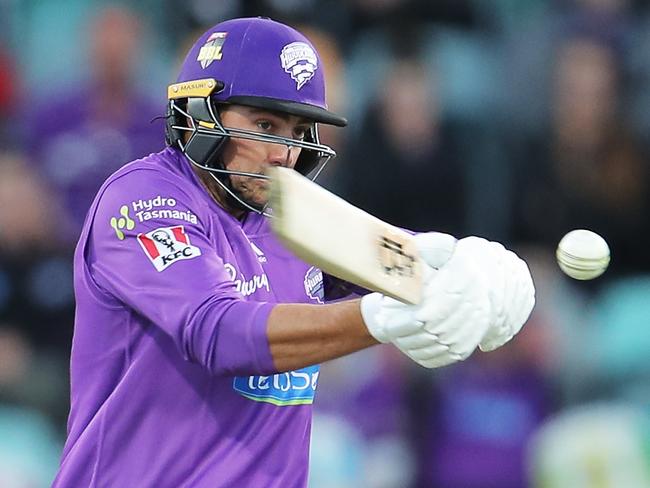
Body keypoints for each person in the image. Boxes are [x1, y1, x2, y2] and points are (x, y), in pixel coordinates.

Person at [52, 17, 535, 487]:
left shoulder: (293, 215)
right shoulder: (143, 200)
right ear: (201, 112)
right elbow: (219, 333)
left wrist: (463, 268)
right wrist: (379, 319)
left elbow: (399, 265)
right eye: (265, 124)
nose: (284, 152)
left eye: (299, 131)